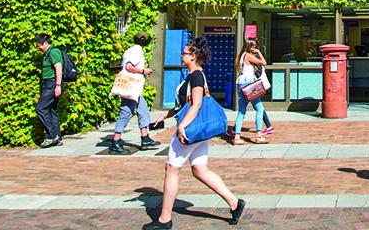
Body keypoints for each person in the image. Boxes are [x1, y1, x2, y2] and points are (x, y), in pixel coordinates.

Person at [144, 36, 246, 230]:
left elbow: (197, 104)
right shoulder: (193, 75)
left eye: (184, 53)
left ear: (193, 56)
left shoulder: (196, 76)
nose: (181, 55)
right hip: (199, 131)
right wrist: (165, 116)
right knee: (200, 170)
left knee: (172, 168)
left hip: (190, 130)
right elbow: (186, 103)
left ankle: (165, 219)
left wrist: (181, 126)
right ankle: (234, 203)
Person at [108, 31, 161, 154]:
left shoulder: (130, 50)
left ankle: (145, 137)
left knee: (143, 111)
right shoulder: (137, 51)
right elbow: (129, 67)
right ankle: (115, 142)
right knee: (126, 112)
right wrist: (144, 71)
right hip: (131, 88)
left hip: (135, 89)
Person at [232, 39, 269, 145]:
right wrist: (259, 53)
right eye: (254, 47)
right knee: (260, 109)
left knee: (241, 112)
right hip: (249, 85)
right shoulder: (248, 55)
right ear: (250, 47)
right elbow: (264, 63)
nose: (255, 48)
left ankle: (237, 137)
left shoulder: (241, 56)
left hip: (240, 84)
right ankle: (258, 135)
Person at [34, 33, 63, 148]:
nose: (38, 48)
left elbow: (58, 68)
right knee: (52, 110)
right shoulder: (47, 53)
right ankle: (58, 137)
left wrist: (58, 85)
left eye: (39, 45)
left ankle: (51, 135)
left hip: (52, 84)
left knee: (40, 108)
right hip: (49, 84)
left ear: (45, 43)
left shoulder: (53, 52)